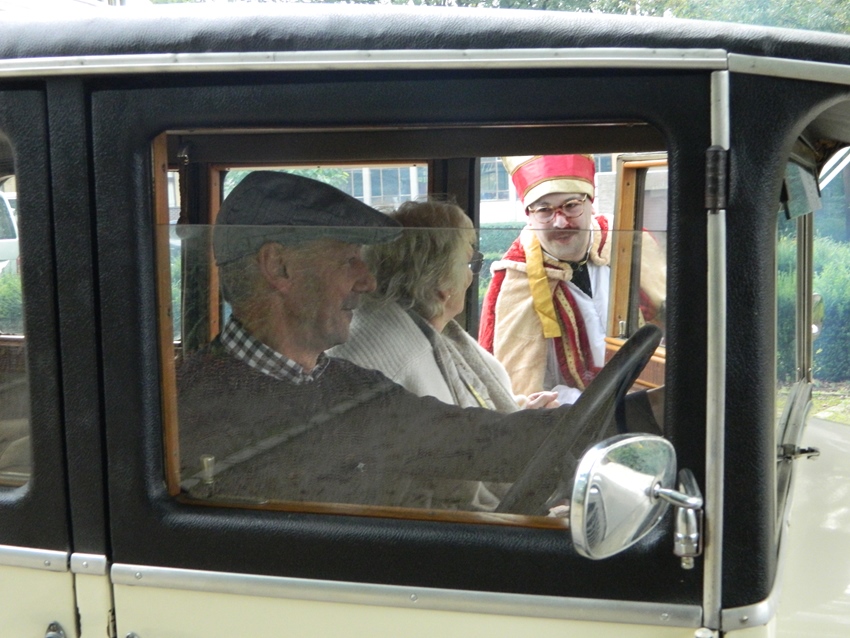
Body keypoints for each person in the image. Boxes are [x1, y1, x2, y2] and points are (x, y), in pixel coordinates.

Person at [176, 171, 656, 512]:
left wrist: (646, 414)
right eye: (348, 259)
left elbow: (488, 441)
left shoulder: (347, 387)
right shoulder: (182, 403)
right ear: (278, 267)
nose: (368, 281)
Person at [329, 199, 557, 413]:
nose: (470, 277)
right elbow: (457, 436)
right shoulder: (391, 357)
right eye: (468, 263)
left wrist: (522, 412)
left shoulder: (432, 331)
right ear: (442, 283)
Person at [479, 154, 665, 404]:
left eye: (571, 205)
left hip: (650, 400)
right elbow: (518, 389)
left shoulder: (627, 243)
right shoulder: (514, 279)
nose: (560, 222)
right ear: (529, 216)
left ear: (591, 204)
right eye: (544, 210)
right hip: (570, 415)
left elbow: (670, 323)